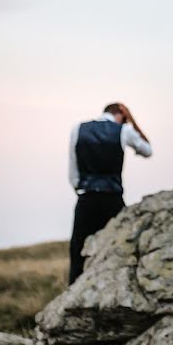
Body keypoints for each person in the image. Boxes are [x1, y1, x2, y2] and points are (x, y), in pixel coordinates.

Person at [67, 102, 152, 285]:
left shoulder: (78, 129)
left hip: (86, 197)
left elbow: (73, 172)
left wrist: (81, 189)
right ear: (121, 113)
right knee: (120, 248)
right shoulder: (123, 131)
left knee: (77, 251)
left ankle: (74, 293)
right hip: (112, 199)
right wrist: (133, 122)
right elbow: (147, 150)